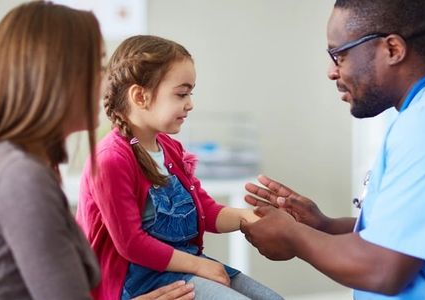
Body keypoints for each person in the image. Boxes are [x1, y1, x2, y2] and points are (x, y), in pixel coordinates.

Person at [240, 0, 425, 299]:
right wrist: (323, 226)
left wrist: (292, 236)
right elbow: (408, 237)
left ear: (392, 50)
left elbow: (383, 268)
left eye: (339, 55)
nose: (331, 72)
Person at [0, 2, 193, 300]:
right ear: (56, 75)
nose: (107, 82)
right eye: (98, 66)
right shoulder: (19, 177)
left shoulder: (22, 164)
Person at [76, 35, 283, 300]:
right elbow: (131, 244)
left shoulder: (168, 147)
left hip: (183, 265)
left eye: (190, 93)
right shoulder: (111, 160)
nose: (190, 103)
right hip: (139, 282)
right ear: (140, 96)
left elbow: (204, 211)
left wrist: (250, 217)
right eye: (181, 94)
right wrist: (201, 265)